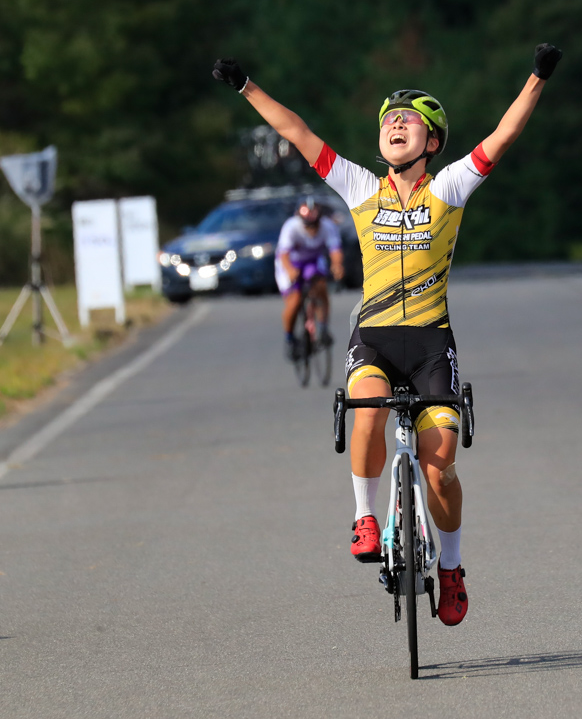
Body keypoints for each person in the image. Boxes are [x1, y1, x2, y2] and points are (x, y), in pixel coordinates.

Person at [213, 43, 563, 626]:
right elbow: (297, 132)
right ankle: (364, 516)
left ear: (431, 143)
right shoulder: (358, 188)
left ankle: (450, 567)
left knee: (439, 467)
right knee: (368, 408)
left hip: (429, 344)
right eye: (389, 119)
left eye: (410, 120)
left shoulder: (448, 189)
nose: (396, 124)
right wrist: (246, 85)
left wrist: (537, 77)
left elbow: (502, 135)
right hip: (374, 337)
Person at [276, 196, 345, 358]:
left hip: (313, 261)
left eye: (314, 227)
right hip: (290, 263)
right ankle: (289, 338)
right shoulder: (291, 227)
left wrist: (337, 266)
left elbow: (335, 250)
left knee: (321, 287)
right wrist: (291, 271)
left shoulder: (327, 226)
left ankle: (323, 328)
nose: (311, 231)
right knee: (295, 300)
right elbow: (284, 255)